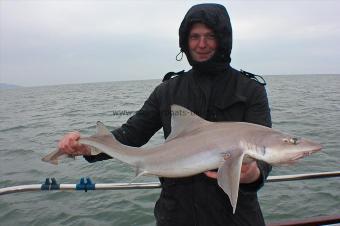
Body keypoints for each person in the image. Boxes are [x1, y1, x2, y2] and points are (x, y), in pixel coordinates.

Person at [58, 3, 272, 226]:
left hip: (236, 217)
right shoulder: (168, 91)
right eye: (194, 36)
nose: (201, 44)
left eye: (210, 36)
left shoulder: (250, 90)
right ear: (185, 41)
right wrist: (89, 147)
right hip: (177, 215)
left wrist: (254, 174)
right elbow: (131, 135)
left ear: (223, 38)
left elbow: (266, 147)